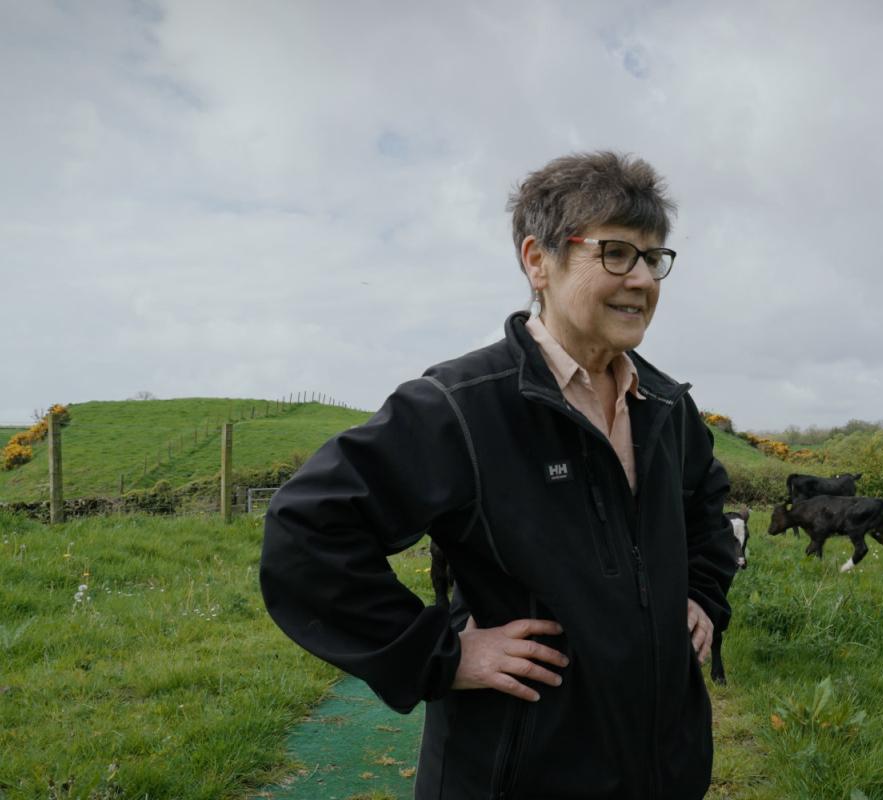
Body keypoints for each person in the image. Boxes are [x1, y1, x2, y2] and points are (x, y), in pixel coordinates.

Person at [260, 151, 738, 799]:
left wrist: (705, 595)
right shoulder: (461, 406)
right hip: (516, 773)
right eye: (617, 253)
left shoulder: (666, 406)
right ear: (537, 260)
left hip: (664, 767)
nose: (644, 280)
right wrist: (440, 654)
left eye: (654, 258)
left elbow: (706, 507)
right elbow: (305, 533)